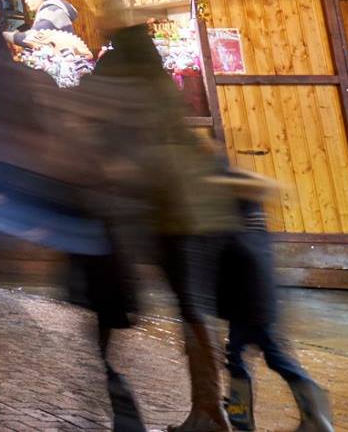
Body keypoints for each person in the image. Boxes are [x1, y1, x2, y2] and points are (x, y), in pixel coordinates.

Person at [84, 22, 240, 432]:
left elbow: (121, 147)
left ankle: (208, 412)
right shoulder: (159, 84)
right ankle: (209, 409)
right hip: (192, 209)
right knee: (194, 309)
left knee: (187, 309)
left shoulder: (128, 81)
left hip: (173, 212)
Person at [215, 169, 333, 432]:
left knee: (261, 359)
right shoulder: (253, 214)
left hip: (249, 305)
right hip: (259, 302)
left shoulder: (235, 219)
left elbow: (235, 261)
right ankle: (245, 419)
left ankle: (312, 412)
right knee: (254, 358)